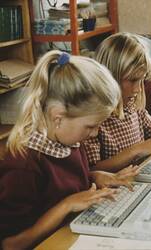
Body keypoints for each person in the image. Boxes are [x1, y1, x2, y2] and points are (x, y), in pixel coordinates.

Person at [0, 50, 141, 250]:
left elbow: (61, 186)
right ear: (58, 117)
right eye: (91, 126)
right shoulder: (23, 166)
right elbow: (10, 244)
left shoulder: (70, 141)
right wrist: (66, 206)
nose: (94, 134)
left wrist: (94, 177)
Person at [84, 32, 151, 173]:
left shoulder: (133, 107)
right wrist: (137, 150)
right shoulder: (93, 120)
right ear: (109, 78)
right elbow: (93, 170)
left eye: (142, 80)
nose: (138, 89)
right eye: (132, 80)